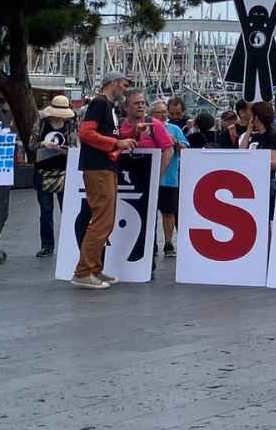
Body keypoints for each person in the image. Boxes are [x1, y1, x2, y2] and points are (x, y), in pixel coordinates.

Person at [73, 72, 136, 290]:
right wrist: (115, 144)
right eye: (124, 84)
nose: (125, 89)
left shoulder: (107, 106)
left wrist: (130, 136)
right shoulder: (100, 104)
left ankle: (93, 269)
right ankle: (84, 271)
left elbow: (96, 134)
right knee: (102, 221)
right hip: (98, 167)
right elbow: (86, 134)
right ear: (114, 83)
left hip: (104, 166)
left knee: (104, 220)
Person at [33, 95, 77, 256]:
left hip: (64, 170)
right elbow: (31, 144)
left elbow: (75, 148)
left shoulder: (70, 125)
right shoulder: (42, 123)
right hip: (43, 170)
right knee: (45, 211)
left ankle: (70, 242)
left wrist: (64, 150)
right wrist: (43, 144)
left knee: (67, 209)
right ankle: (47, 245)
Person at [148, 99, 189, 257]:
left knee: (168, 212)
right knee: (150, 212)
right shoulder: (146, 127)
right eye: (161, 113)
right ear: (152, 114)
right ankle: (151, 244)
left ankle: (168, 243)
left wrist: (176, 143)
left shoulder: (174, 128)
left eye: (165, 112)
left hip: (169, 177)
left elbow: (185, 149)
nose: (165, 115)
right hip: (150, 176)